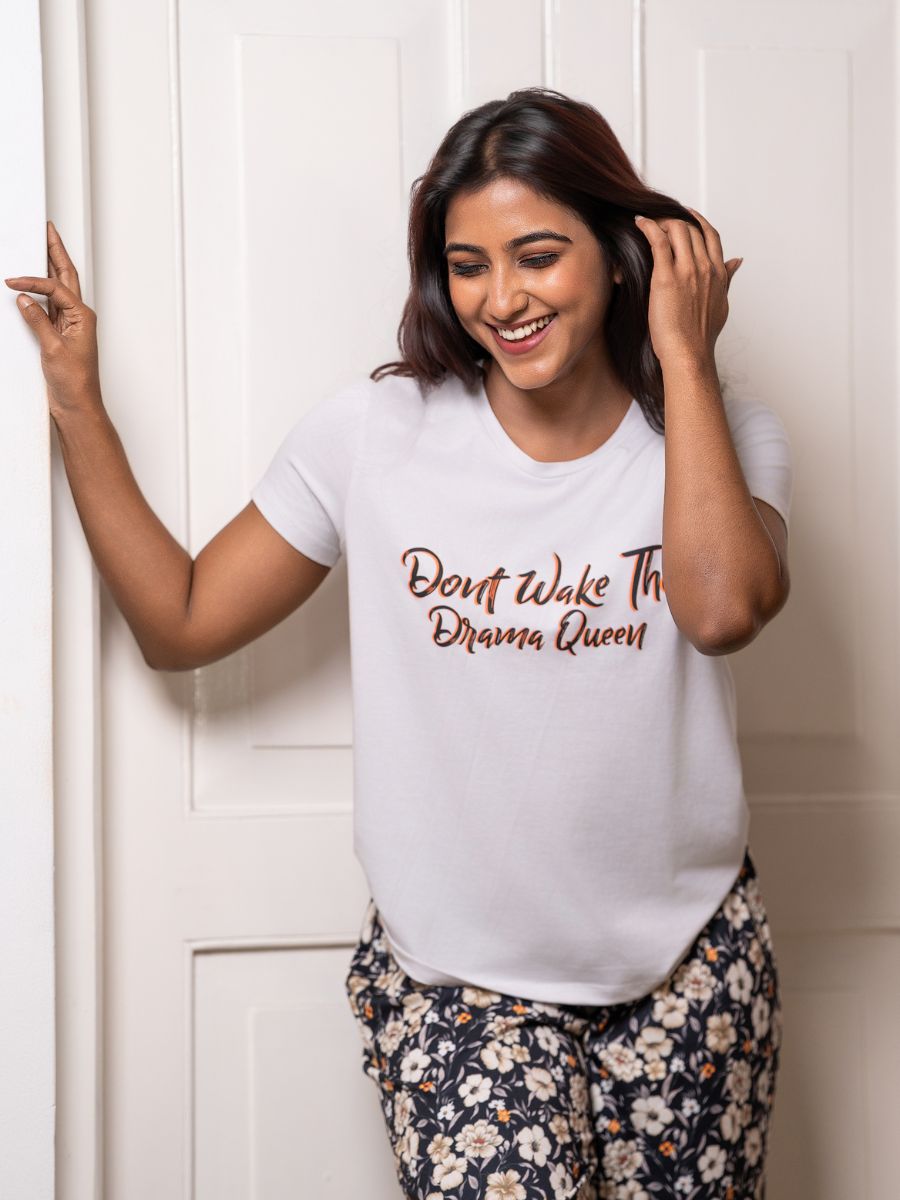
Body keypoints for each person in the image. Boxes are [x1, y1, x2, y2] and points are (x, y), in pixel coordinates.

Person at [6, 86, 791, 1200]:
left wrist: (688, 357)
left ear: (621, 254)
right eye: (469, 264)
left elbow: (721, 612)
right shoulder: (376, 435)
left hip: (691, 974)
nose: (502, 298)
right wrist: (79, 402)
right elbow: (179, 623)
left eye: (538, 255)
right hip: (460, 989)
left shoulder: (722, 430)